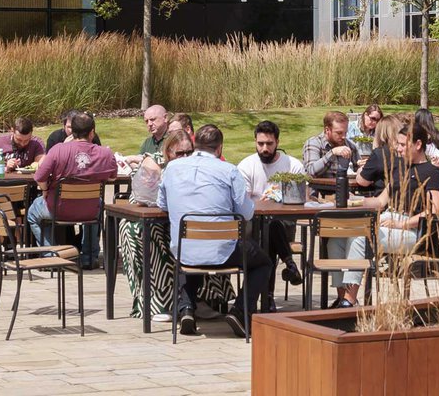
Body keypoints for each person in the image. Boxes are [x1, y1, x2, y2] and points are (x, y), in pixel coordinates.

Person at [158, 124, 274, 335]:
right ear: (219, 148)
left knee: (191, 253)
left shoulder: (171, 169)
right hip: (223, 250)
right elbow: (246, 214)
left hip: (184, 248)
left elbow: (162, 204)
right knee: (264, 262)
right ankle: (239, 311)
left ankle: (186, 308)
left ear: (194, 145)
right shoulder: (229, 170)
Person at [322, 120, 439, 308]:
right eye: (398, 144)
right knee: (336, 238)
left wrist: (403, 224)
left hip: (413, 232)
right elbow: (380, 201)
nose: (398, 148)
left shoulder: (432, 171)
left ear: (418, 145)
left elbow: (434, 211)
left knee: (360, 237)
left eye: (403, 145)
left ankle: (349, 299)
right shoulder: (399, 167)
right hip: (388, 220)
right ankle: (343, 296)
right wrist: (355, 200)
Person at [118, 127, 232, 322]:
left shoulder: (200, 165)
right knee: (138, 230)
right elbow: (143, 198)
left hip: (189, 222)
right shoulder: (155, 163)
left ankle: (204, 298)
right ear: (168, 152)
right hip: (153, 218)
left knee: (209, 231)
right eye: (180, 153)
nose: (185, 156)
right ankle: (159, 302)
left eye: (189, 152)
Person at [27, 111, 117, 263]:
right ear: (92, 132)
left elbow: (39, 177)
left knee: (32, 214)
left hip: (58, 209)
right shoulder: (106, 153)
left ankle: (51, 257)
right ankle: (89, 257)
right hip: (90, 209)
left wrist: (45, 190)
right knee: (98, 207)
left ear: (71, 131)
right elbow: (113, 177)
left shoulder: (58, 150)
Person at [235, 121, 306, 304]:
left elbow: (301, 200)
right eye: (260, 144)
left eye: (269, 144)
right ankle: (287, 268)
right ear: (255, 142)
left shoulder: (293, 166)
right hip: (253, 226)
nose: (264, 148)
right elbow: (243, 203)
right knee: (266, 232)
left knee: (272, 227)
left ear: (278, 142)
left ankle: (266, 298)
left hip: (284, 225)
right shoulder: (246, 166)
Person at [352, 113, 406, 194]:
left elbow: (362, 181)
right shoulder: (407, 150)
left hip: (384, 200)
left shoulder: (380, 153)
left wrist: (360, 169)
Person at [303, 111, 356, 178]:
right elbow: (311, 172)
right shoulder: (313, 143)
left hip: (344, 187)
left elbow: (358, 170)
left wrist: (361, 166)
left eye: (345, 132)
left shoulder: (349, 145)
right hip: (319, 187)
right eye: (339, 133)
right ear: (327, 130)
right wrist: (332, 153)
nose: (344, 137)